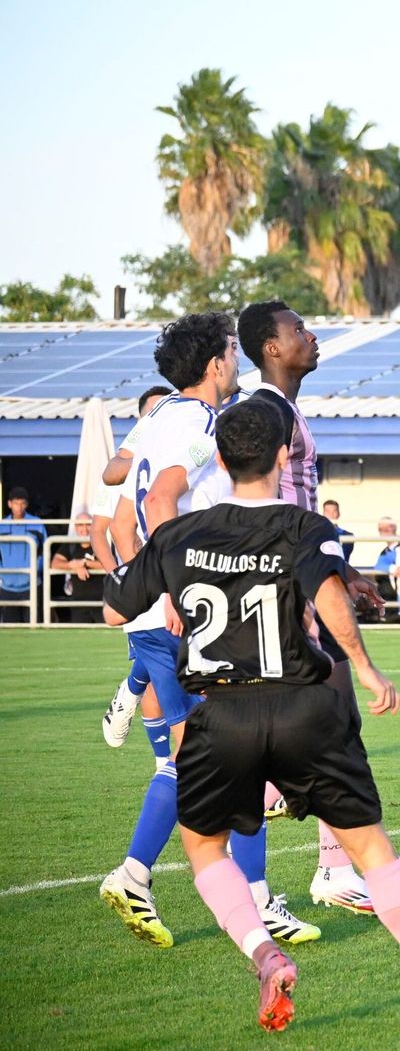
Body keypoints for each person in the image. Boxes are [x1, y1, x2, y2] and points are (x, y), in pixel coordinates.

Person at [101, 399, 400, 1031]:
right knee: (369, 848)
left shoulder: (177, 535)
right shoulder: (302, 525)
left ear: (217, 460)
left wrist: (171, 587)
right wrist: (363, 666)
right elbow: (329, 594)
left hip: (220, 715)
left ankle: (263, 952)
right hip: (304, 708)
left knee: (203, 845)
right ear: (282, 456)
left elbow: (115, 611)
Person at [98, 312, 317, 950]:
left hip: (155, 619)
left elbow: (122, 488)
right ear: (217, 362)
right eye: (231, 350)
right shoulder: (198, 425)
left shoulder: (159, 414)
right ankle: (252, 900)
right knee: (241, 752)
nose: (238, 360)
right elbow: (164, 496)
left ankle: (141, 874)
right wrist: (175, 589)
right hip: (188, 614)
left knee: (195, 758)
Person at [238, 299, 389, 915]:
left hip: (304, 575)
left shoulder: (285, 408)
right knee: (331, 713)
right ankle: (319, 867)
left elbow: (298, 503)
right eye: (299, 329)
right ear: (272, 346)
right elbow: (257, 501)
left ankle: (317, 857)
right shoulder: (264, 411)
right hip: (287, 584)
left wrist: (342, 569)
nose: (312, 335)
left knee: (329, 716)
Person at [94, 385, 172, 749]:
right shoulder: (133, 463)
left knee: (162, 673)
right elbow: (107, 528)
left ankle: (129, 690)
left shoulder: (185, 444)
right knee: (158, 666)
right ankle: (164, 762)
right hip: (146, 571)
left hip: (173, 568)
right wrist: (126, 576)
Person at [0, 486, 47, 622]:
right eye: (16, 503)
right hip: (6, 585)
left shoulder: (37, 524)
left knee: (34, 628)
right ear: (9, 504)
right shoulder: (2, 525)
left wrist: (36, 571)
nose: (19, 508)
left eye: (22, 504)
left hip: (31, 584)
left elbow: (45, 551)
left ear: (26, 504)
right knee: (10, 631)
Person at [50, 512, 104, 622]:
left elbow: (108, 565)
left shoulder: (101, 543)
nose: (84, 529)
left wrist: (84, 563)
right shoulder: (71, 545)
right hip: (78, 602)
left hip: (102, 601)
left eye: (88, 524)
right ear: (75, 527)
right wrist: (72, 565)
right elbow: (55, 563)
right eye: (80, 525)